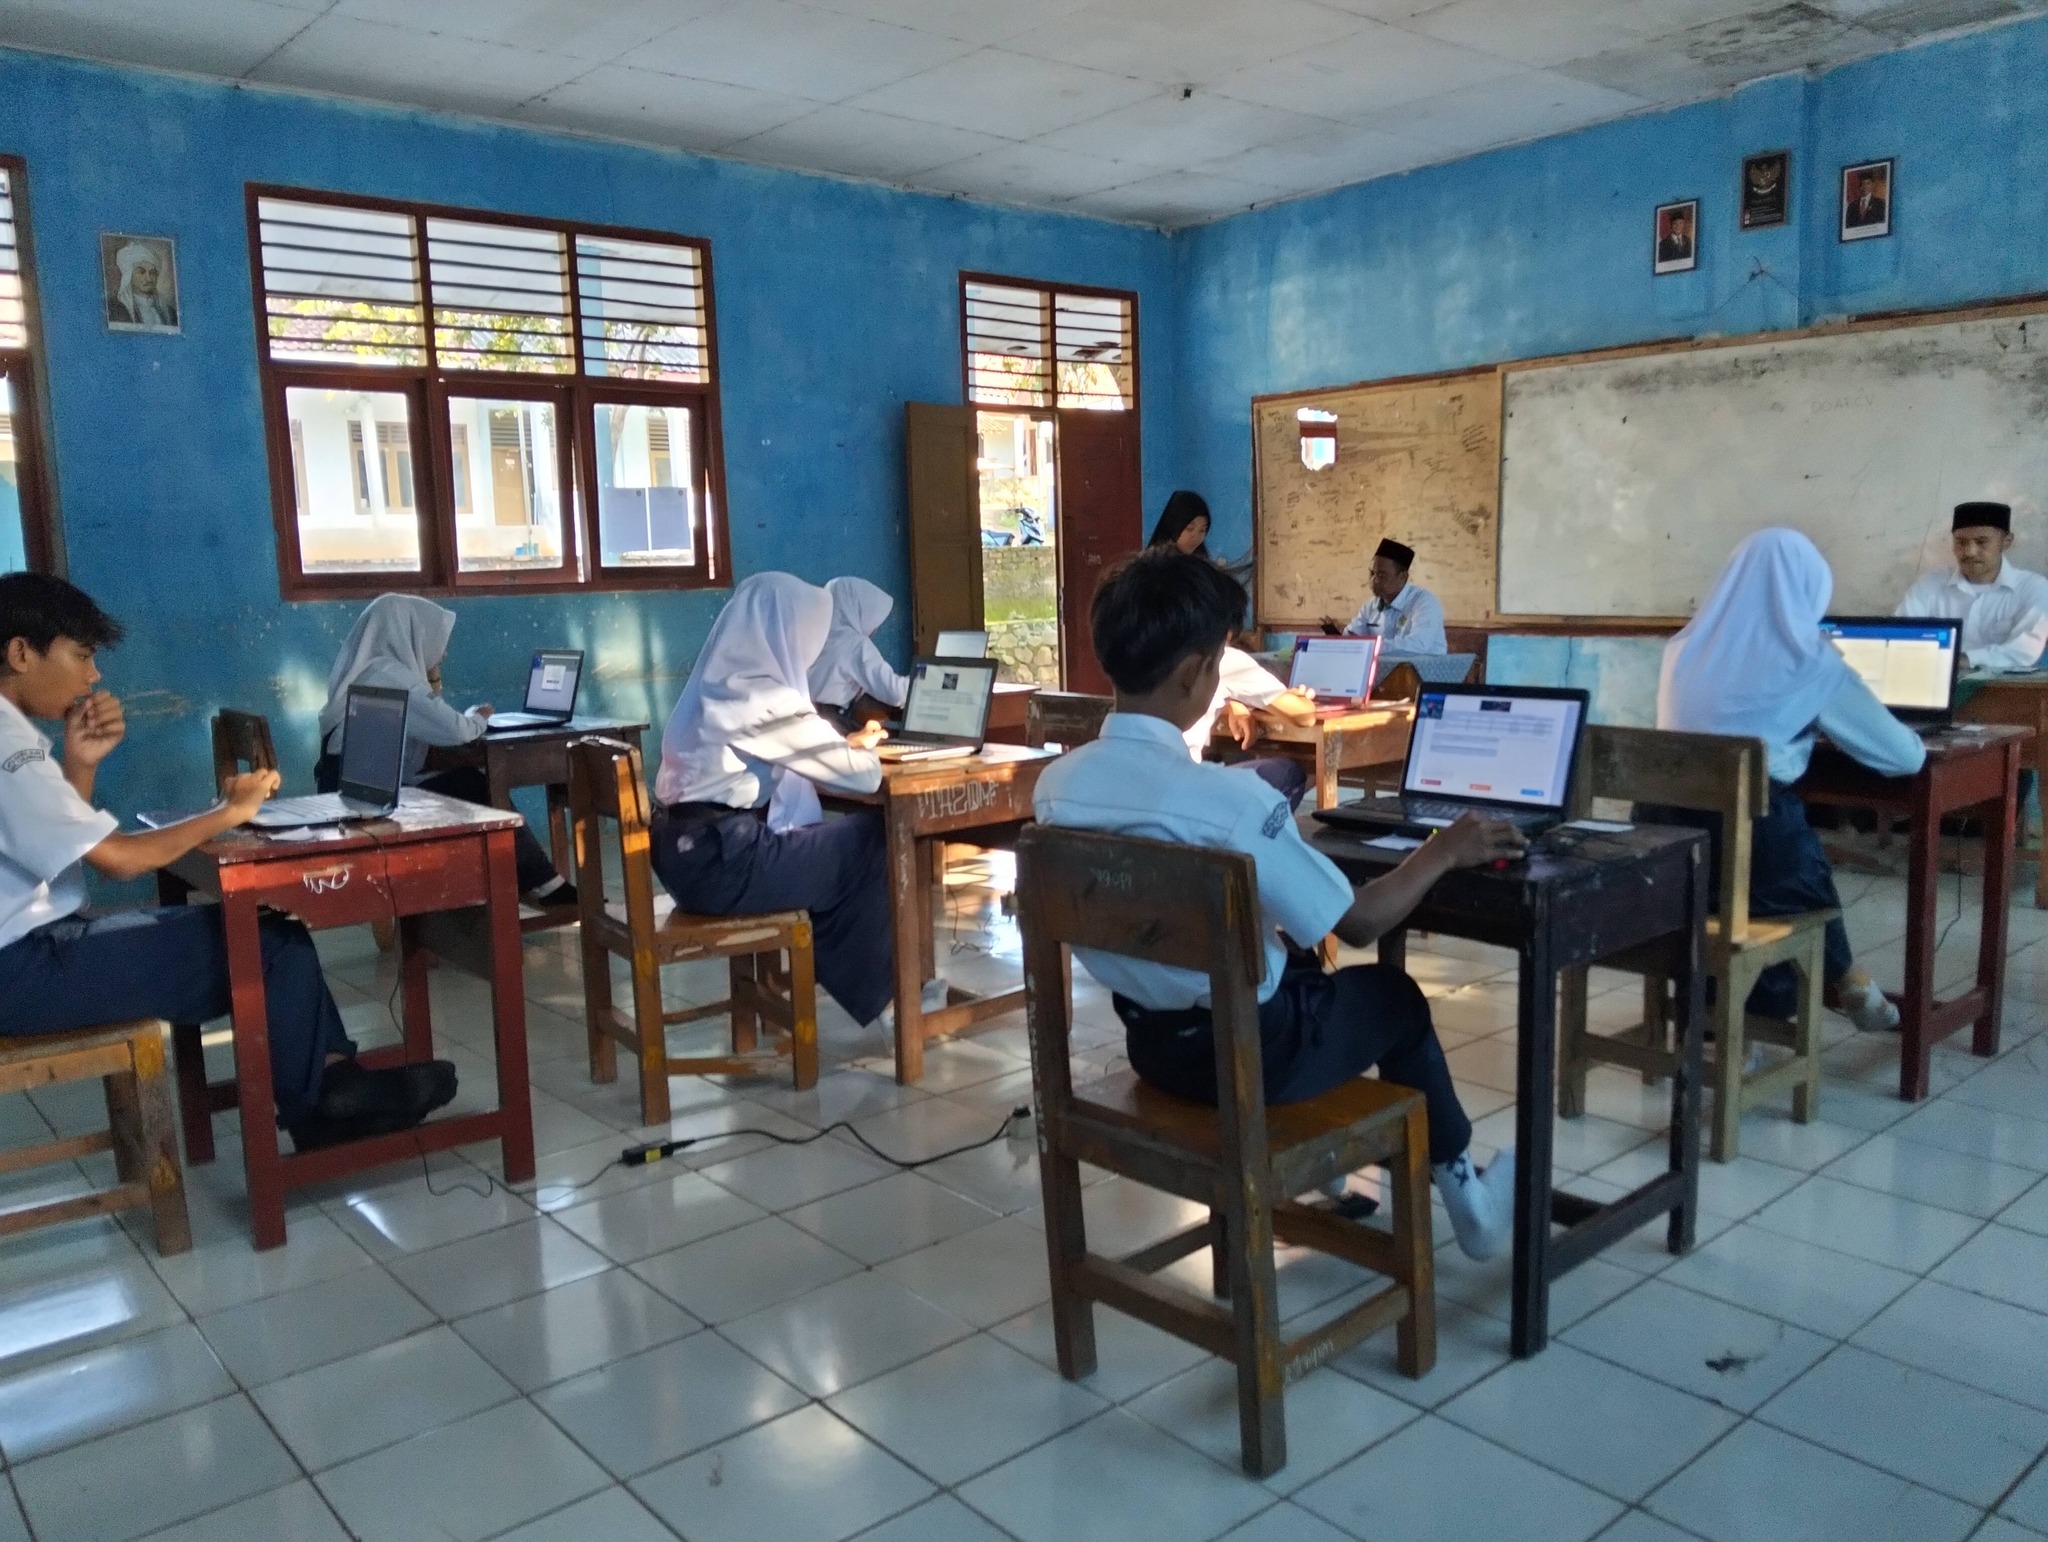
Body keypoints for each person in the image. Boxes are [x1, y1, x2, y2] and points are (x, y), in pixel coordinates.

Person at [1034, 548, 1523, 1260]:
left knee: (1295, 962)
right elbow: (1360, 922)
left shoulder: (1057, 788)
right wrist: (1444, 850)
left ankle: (1333, 1176)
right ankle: (1470, 1204)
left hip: (1155, 1049)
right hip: (1254, 1061)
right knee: (1393, 998)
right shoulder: (1228, 801)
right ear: (1194, 674)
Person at [0, 574, 455, 1151]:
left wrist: (81, 763)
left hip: (31, 951)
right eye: (82, 655)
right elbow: (117, 860)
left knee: (265, 934)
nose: (94, 676)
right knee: (266, 943)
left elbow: (56, 843)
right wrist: (227, 812)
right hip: (22, 971)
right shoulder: (11, 748)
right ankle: (324, 1101)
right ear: (21, 653)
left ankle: (331, 1088)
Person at [1659, 528, 1923, 1031]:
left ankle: (1835, 985)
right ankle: (1836, 986)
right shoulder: (1810, 661)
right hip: (1756, 848)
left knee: (1780, 861)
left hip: (1673, 849)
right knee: (1795, 866)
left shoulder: (1683, 648)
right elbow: (1904, 758)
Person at [650, 573, 895, 1027]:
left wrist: (841, 748)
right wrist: (858, 754)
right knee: (871, 838)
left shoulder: (717, 682)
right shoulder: (758, 695)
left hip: (687, 857)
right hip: (720, 865)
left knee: (824, 849)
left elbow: (790, 745)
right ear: (789, 632)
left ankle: (865, 986)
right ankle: (885, 998)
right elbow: (864, 778)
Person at [315, 595, 573, 907]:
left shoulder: (365, 669)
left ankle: (524, 881)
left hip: (344, 790)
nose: (443, 652)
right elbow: (456, 730)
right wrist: (478, 716)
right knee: (473, 785)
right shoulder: (392, 675)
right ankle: (538, 884)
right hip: (367, 802)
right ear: (413, 632)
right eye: (437, 641)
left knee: (462, 781)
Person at [1895, 502, 2048, 672]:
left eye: (1981, 542)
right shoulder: (1930, 585)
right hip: (1934, 681)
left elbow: (2023, 652)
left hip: (2003, 687)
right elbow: (1902, 637)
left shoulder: (2032, 588)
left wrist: (1962, 660)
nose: (1969, 551)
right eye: (1961, 542)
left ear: (2006, 542)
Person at [1187, 646, 1315, 809]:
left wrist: (1232, 701)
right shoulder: (1224, 658)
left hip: (1159, 784)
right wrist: (1301, 697)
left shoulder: (1160, 651)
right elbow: (1304, 715)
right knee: (1287, 772)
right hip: (1187, 787)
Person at [807, 577, 908, 728]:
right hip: (836, 722)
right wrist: (924, 682)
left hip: (809, 719)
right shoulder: (855, 644)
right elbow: (895, 693)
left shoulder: (816, 635)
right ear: (860, 611)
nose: (875, 628)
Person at [1337, 538, 1447, 654]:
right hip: (1385, 665)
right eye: (1372, 573)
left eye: (1382, 575)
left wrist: (1371, 646)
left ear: (1402, 577)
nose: (1374, 580)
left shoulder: (1424, 603)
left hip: (1421, 665)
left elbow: (1417, 645)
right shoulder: (1370, 606)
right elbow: (1353, 636)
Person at [107, 241, 176, 329]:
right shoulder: (114, 309)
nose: (149, 279)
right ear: (129, 275)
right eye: (141, 272)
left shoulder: (170, 312)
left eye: (152, 273)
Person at [1146, 490, 1213, 558]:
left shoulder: (1202, 563)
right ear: (1173, 526)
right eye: (1189, 528)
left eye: (1202, 530)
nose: (1196, 537)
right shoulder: (1152, 563)